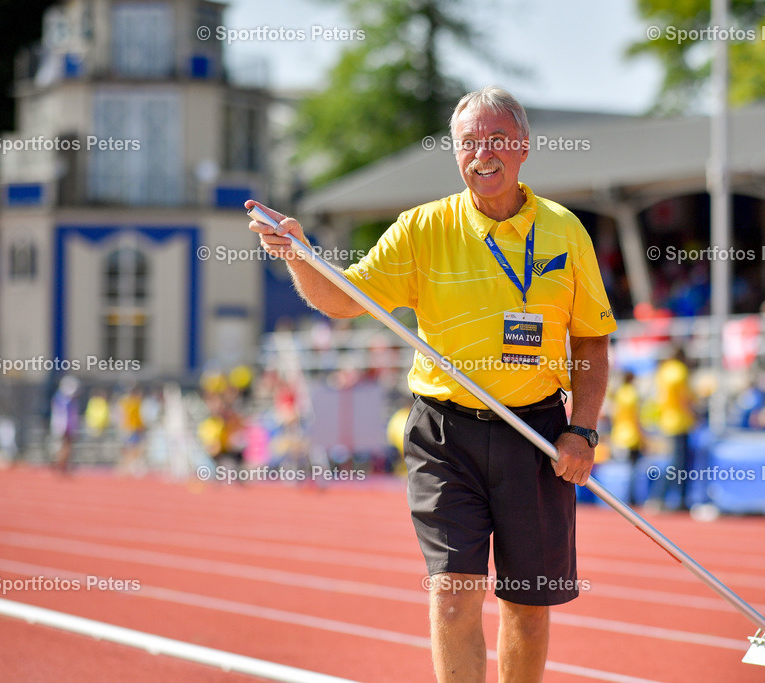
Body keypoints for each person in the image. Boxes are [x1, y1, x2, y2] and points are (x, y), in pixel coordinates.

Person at [248, 86, 615, 682]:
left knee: (527, 603)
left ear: (522, 147)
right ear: (455, 153)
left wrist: (583, 431)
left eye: (497, 139)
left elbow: (592, 342)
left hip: (538, 431)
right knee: (452, 591)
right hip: (446, 436)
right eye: (469, 142)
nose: (483, 153)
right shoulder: (421, 228)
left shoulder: (565, 230)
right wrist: (299, 254)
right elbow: (344, 299)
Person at [648, 347, 696, 511]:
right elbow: (685, 398)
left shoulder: (663, 371)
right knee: (678, 464)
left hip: (666, 420)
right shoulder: (680, 371)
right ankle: (662, 497)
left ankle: (673, 499)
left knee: (675, 463)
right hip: (681, 421)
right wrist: (694, 415)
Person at [609, 372, 644, 506]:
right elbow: (636, 418)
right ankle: (631, 499)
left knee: (624, 470)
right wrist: (643, 437)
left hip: (619, 433)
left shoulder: (619, 393)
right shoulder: (632, 394)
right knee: (633, 470)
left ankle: (622, 498)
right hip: (632, 435)